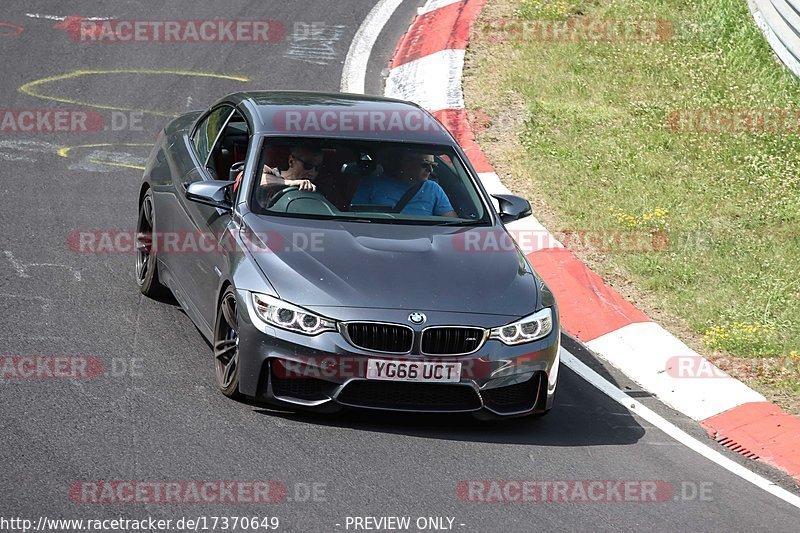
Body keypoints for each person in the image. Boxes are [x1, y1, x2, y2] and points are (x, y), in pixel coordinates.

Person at [350, 151, 457, 217]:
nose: (430, 169)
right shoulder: (371, 184)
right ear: (407, 162)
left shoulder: (434, 189)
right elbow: (356, 216)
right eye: (425, 164)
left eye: (433, 165)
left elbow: (452, 223)